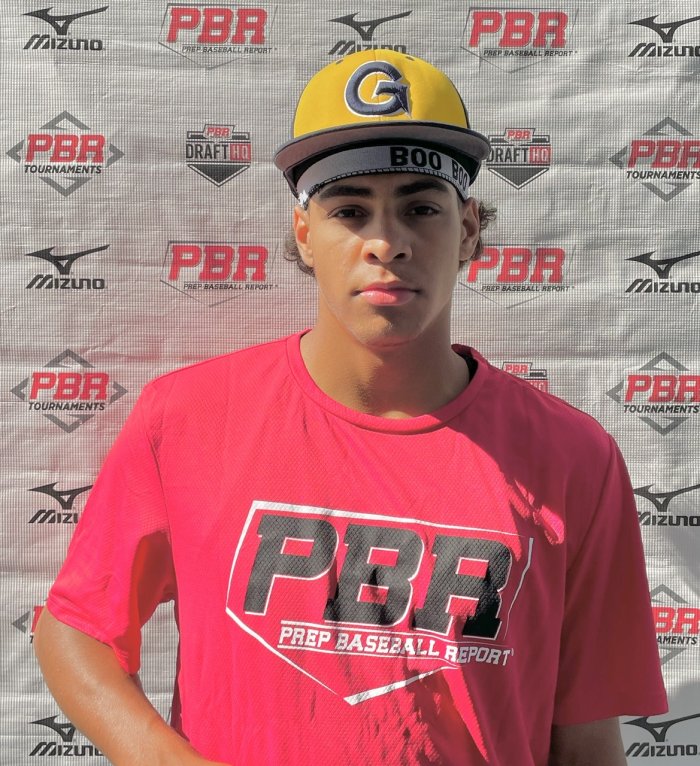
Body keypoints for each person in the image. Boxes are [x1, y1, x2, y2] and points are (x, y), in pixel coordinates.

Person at [34, 50, 667, 766]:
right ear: (306, 234)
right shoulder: (187, 418)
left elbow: (585, 737)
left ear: (467, 229)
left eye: (420, 208)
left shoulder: (572, 456)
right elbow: (76, 627)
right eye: (350, 210)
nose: (386, 243)